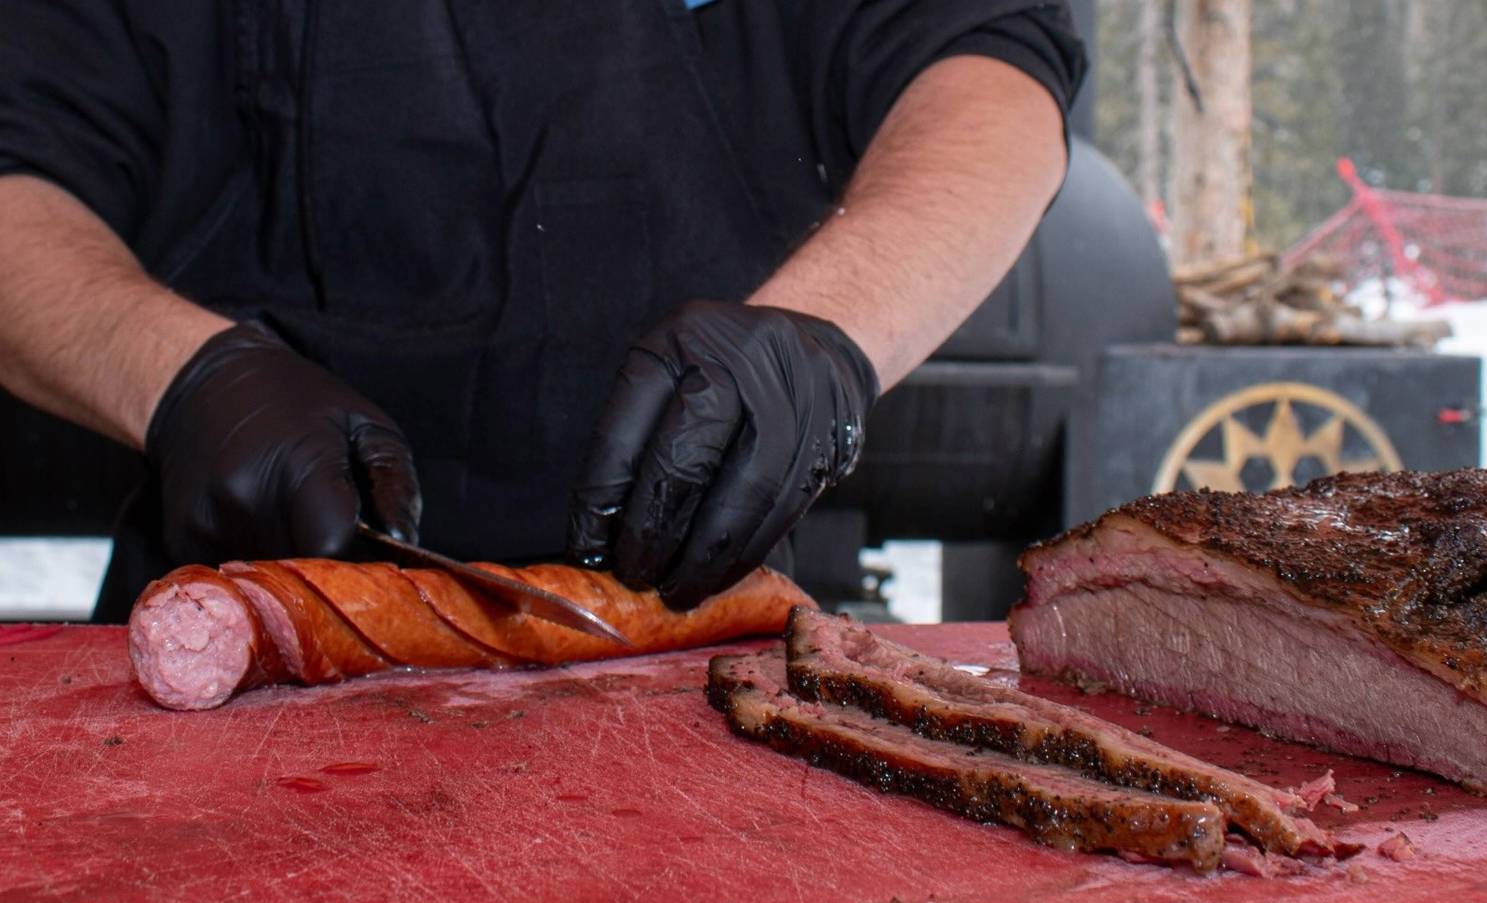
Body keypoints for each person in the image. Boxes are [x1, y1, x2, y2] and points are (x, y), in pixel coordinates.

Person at [0, 1, 1084, 619]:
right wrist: (183, 376)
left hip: (696, 624)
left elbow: (988, 68)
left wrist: (824, 337)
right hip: (238, 622)